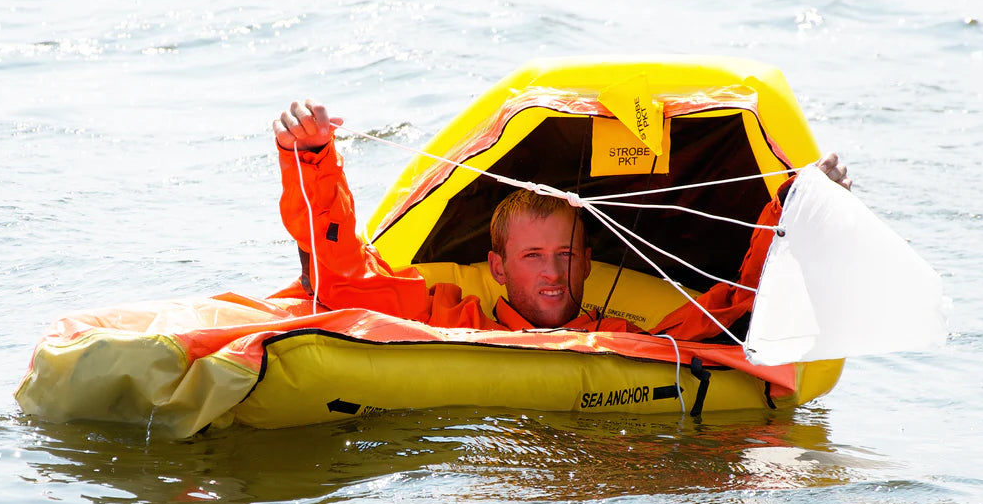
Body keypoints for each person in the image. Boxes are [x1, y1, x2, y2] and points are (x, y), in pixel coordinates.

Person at [271, 99, 851, 340]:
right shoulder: (450, 317)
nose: (554, 274)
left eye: (566, 255)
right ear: (497, 267)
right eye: (532, 257)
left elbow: (741, 314)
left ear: (588, 260)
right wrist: (310, 156)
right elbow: (342, 280)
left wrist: (799, 213)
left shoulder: (625, 338)